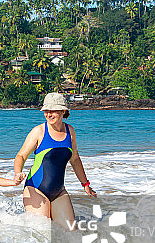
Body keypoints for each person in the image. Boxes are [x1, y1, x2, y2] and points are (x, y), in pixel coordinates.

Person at [13, 93, 96, 226]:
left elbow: (75, 159)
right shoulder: (39, 131)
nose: (48, 114)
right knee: (43, 231)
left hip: (59, 191)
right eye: (46, 111)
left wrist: (85, 184)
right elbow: (21, 156)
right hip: (36, 189)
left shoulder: (70, 131)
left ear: (63, 111)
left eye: (53, 111)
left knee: (70, 233)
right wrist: (18, 172)